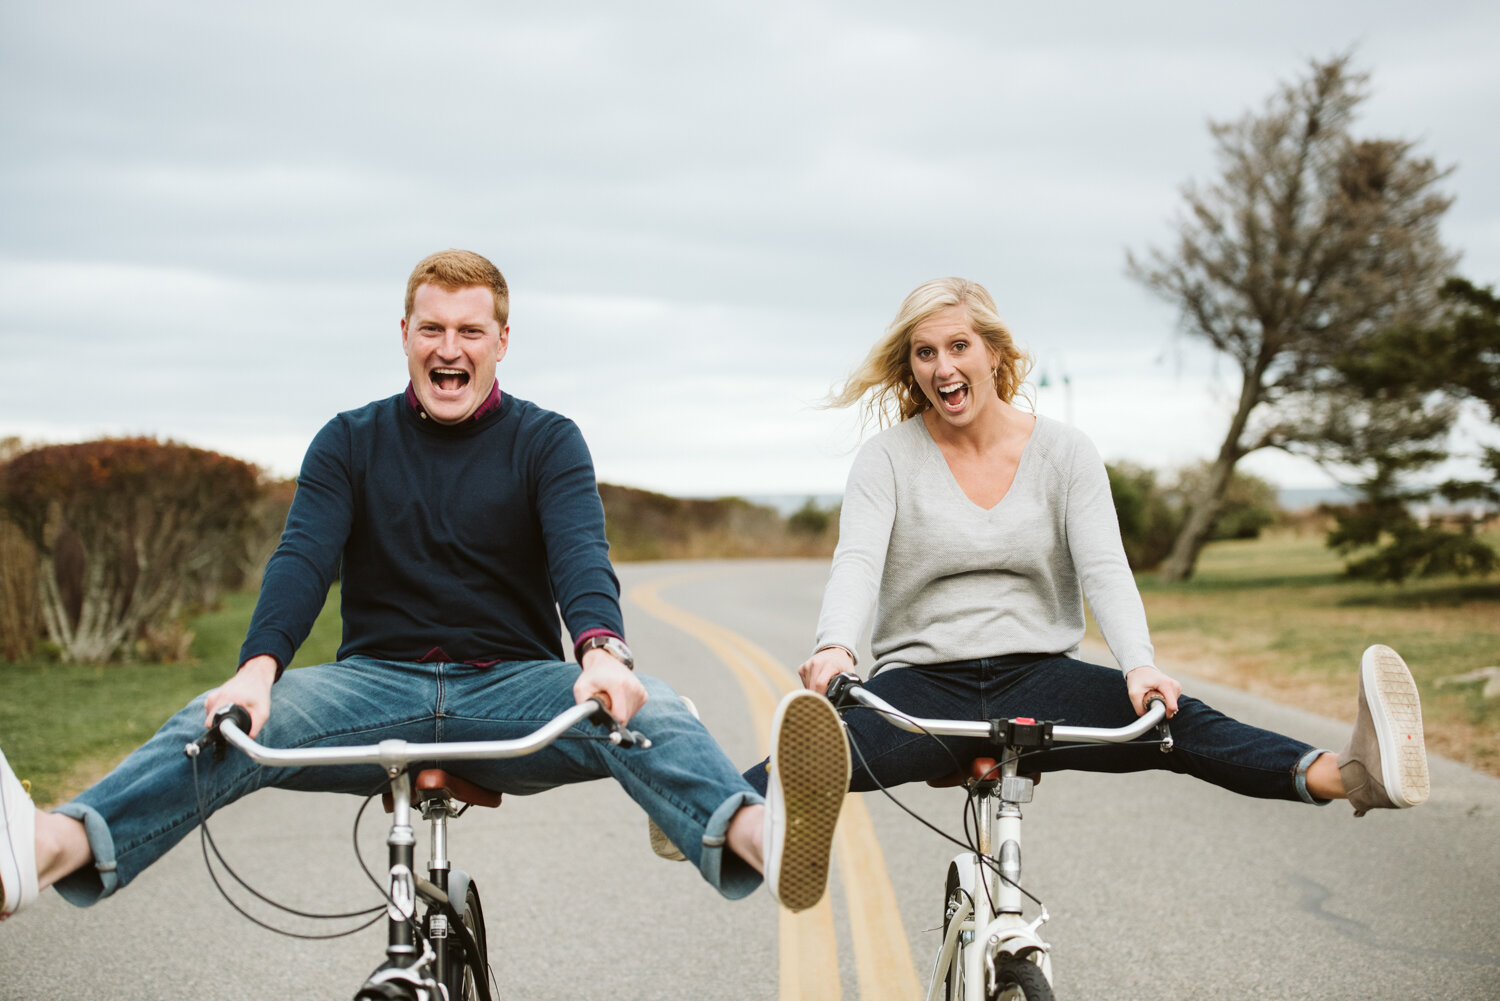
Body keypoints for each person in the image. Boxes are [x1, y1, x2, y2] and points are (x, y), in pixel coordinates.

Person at [1, 249, 849, 924]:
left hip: (516, 690)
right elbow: (302, 561)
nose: (451, 348)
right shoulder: (348, 441)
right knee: (215, 724)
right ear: (404, 332)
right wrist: (257, 669)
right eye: (433, 328)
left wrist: (601, 653)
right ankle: (47, 847)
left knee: (650, 706)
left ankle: (757, 836)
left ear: (503, 340)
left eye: (471, 330)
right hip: (372, 689)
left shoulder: (548, 442)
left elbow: (582, 558)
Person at [741, 276, 1429, 818]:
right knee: (821, 750)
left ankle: (1349, 773)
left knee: (1174, 724)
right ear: (912, 366)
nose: (943, 366)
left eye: (959, 346)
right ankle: (713, 810)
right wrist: (835, 645)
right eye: (926, 352)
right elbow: (857, 561)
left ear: (994, 352)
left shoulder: (1065, 452)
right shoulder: (886, 459)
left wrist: (1139, 667)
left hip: (1040, 678)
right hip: (923, 685)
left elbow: (1104, 568)